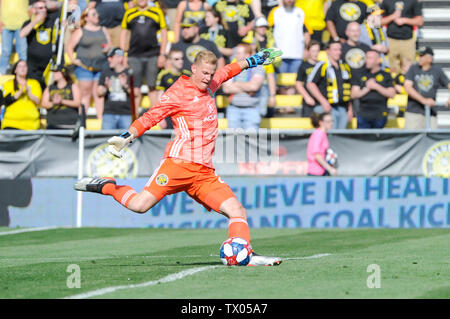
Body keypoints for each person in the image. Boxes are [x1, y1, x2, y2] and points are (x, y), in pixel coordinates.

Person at [74, 48, 283, 267]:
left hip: (203, 172)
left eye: (211, 74)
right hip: (177, 165)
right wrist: (128, 136)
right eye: (204, 73)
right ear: (193, 69)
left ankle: (246, 255)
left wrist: (253, 60)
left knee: (237, 210)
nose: (208, 78)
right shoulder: (178, 92)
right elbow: (152, 116)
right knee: (139, 205)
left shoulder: (211, 84)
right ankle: (107, 186)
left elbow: (228, 70)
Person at [120, 0, 168, 110]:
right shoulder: (129, 13)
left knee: (152, 87)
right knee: (135, 88)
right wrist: (124, 55)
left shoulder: (157, 12)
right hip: (134, 56)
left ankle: (154, 118)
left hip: (152, 55)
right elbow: (123, 34)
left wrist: (162, 54)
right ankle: (135, 119)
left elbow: (164, 33)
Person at [67, 6, 112, 119]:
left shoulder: (103, 29)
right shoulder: (80, 31)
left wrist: (108, 48)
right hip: (84, 67)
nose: (97, 16)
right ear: (86, 17)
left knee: (99, 94)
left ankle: (100, 119)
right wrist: (73, 60)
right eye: (93, 14)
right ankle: (82, 121)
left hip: (100, 67)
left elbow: (110, 44)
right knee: (85, 94)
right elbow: (69, 47)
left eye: (96, 14)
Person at [306, 40, 353, 129]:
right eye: (335, 49)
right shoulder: (322, 65)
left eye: (339, 49)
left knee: (341, 136)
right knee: (331, 133)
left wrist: (350, 109)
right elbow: (310, 84)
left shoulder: (344, 67)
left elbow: (348, 89)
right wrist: (323, 101)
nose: (338, 52)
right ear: (328, 51)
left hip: (342, 107)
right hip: (327, 107)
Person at [403, 46, 450, 130]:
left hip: (431, 113)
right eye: (419, 56)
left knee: (432, 139)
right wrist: (423, 100)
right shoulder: (413, 68)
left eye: (422, 56)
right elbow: (407, 87)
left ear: (430, 58)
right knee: (413, 139)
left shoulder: (437, 70)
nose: (419, 58)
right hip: (414, 112)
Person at [222, 43, 265, 129]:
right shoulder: (231, 67)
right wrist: (247, 87)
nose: (235, 55)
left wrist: (236, 84)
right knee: (234, 140)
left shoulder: (257, 68)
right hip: (233, 109)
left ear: (247, 55)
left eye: (238, 53)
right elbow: (226, 88)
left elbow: (254, 87)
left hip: (251, 110)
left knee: (251, 140)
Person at [19, 0, 61, 89]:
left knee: (48, 91)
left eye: (45, 8)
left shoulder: (51, 20)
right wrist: (35, 21)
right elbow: (22, 34)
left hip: (48, 66)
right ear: (34, 10)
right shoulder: (29, 23)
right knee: (35, 89)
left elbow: (64, 8)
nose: (44, 10)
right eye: (40, 8)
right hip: (33, 67)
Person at [351, 50, 396, 129]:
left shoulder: (385, 75)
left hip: (380, 114)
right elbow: (353, 94)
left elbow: (391, 94)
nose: (366, 60)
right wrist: (367, 88)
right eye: (366, 58)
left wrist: (376, 86)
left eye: (370, 58)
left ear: (378, 60)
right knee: (362, 139)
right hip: (363, 114)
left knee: (378, 140)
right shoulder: (360, 74)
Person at [380, 0, 423, 74]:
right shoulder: (386, 1)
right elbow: (379, 22)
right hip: (391, 40)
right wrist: (393, 16)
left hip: (408, 40)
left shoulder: (413, 2)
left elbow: (420, 21)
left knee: (409, 70)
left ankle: (407, 85)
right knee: (392, 70)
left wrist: (404, 20)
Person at [268, 0, 310, 74]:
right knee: (281, 84)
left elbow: (307, 32)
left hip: (297, 55)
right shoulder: (275, 12)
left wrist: (306, 49)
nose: (290, 0)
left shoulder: (301, 12)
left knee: (295, 83)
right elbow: (268, 32)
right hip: (279, 55)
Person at [97, 48, 134, 130]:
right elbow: (99, 92)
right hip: (109, 113)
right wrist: (106, 88)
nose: (108, 59)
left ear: (120, 58)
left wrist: (125, 86)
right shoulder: (106, 72)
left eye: (111, 57)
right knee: (106, 140)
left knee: (127, 141)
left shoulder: (130, 73)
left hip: (126, 114)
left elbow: (135, 94)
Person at [1, 60, 42, 130]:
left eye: (24, 66)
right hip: (11, 124)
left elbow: (38, 102)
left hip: (31, 125)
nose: (22, 68)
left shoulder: (34, 83)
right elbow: (5, 101)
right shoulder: (9, 84)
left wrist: (29, 94)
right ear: (15, 70)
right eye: (20, 66)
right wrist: (20, 91)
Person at [155, 48, 191, 129]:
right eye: (176, 59)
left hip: (185, 114)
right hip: (169, 114)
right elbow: (159, 99)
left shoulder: (188, 75)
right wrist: (161, 119)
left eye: (182, 58)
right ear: (170, 60)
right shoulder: (163, 76)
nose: (180, 61)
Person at [41, 65, 81, 129]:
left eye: (56, 72)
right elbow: (44, 104)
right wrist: (54, 103)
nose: (54, 74)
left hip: (70, 124)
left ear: (63, 73)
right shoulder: (49, 88)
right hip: (53, 124)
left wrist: (62, 101)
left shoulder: (73, 86)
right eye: (54, 72)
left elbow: (78, 103)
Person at [0, 0, 29, 75]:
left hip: (22, 24)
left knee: (22, 52)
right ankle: (1, 75)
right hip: (6, 24)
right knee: (5, 52)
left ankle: (22, 75)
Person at [359, 4, 389, 70]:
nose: (380, 17)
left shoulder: (381, 29)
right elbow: (358, 47)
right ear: (369, 16)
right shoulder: (360, 29)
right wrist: (372, 48)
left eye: (380, 15)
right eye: (377, 15)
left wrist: (386, 49)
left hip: (382, 64)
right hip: (367, 65)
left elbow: (388, 46)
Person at [306, 112, 337, 176]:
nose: (331, 123)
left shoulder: (323, 134)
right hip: (315, 172)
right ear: (321, 122)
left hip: (321, 170)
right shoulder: (318, 134)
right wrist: (330, 169)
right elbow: (317, 155)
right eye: (328, 121)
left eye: (332, 121)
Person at [296, 40, 321, 118]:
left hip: (320, 101)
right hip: (309, 102)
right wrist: (307, 97)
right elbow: (298, 84)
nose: (315, 53)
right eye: (313, 51)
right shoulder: (303, 66)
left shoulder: (322, 65)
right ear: (308, 51)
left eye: (317, 51)